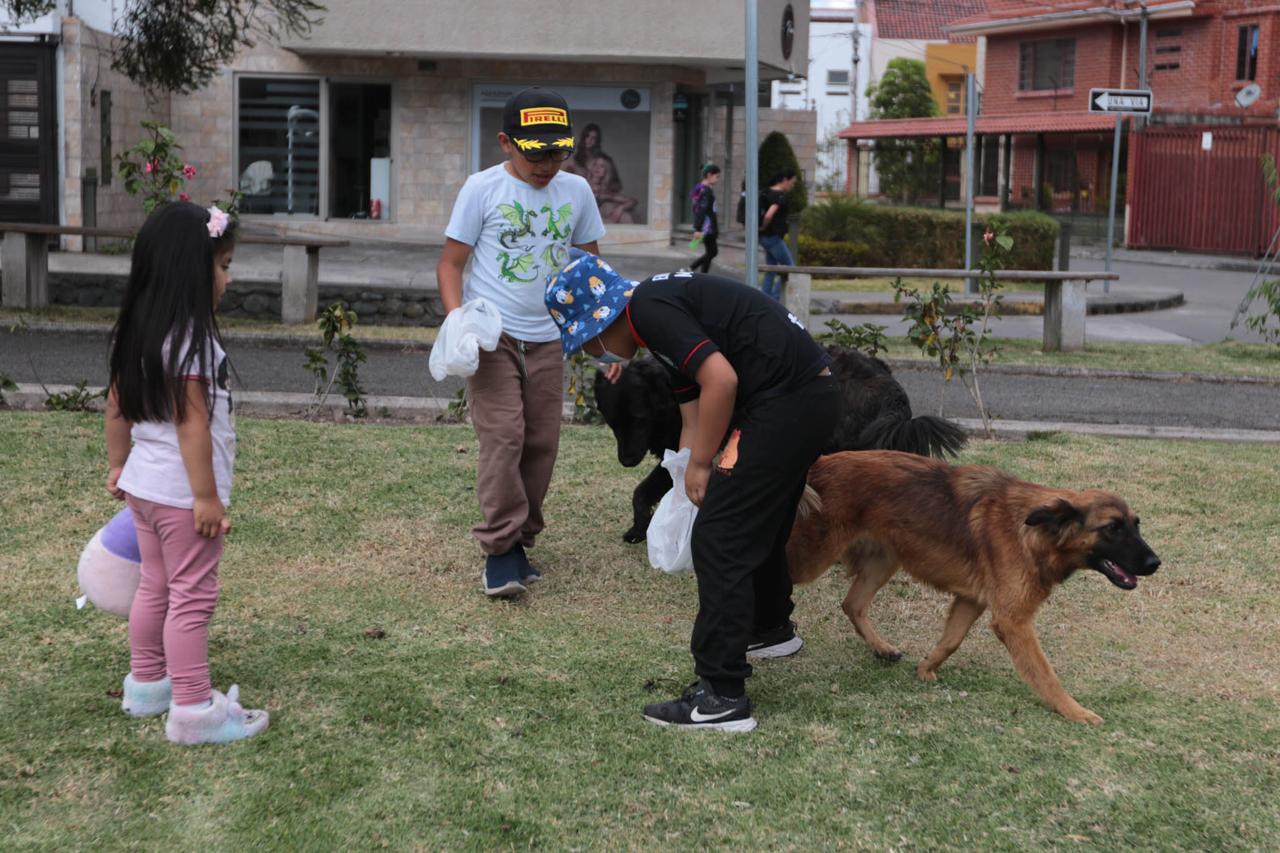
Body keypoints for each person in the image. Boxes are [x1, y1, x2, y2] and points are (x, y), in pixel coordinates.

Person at [544, 256, 841, 732]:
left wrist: (704, 463)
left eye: (587, 344)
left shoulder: (648, 310)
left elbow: (721, 380)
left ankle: (721, 696)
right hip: (806, 396)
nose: (595, 355)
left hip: (786, 401)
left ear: (601, 322)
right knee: (753, 516)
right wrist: (685, 467)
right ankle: (769, 629)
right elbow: (691, 404)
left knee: (720, 536)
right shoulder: (656, 311)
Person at [105, 201, 270, 745]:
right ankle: (195, 709)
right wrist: (206, 499)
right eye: (222, 265)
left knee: (155, 585)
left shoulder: (138, 333)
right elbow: (192, 422)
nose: (227, 278)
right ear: (189, 271)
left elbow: (115, 408)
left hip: (144, 491)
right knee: (192, 598)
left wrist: (117, 465)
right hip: (181, 497)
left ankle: (147, 685)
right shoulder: (192, 339)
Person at [437, 86, 606, 598]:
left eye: (558, 152)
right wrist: (459, 321)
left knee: (541, 441)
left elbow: (590, 270)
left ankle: (520, 538)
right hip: (494, 334)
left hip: (549, 337)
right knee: (505, 435)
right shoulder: (482, 189)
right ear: (505, 143)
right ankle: (499, 548)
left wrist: (598, 339)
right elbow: (450, 263)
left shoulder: (576, 192)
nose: (548, 165)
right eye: (537, 154)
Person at [759, 169, 798, 301]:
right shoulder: (779, 195)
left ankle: (764, 298)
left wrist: (761, 228)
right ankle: (774, 298)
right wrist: (764, 225)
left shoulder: (765, 192)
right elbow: (770, 214)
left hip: (765, 237)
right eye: (792, 183)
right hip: (773, 237)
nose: (792, 186)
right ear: (784, 180)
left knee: (771, 268)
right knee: (791, 268)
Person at [586, 152, 639, 224]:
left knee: (625, 215)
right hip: (583, 220)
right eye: (595, 164)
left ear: (606, 171)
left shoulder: (603, 192)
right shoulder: (583, 182)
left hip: (597, 220)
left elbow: (632, 201)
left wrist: (620, 208)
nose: (597, 168)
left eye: (602, 166)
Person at [689, 163, 721, 274]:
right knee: (712, 252)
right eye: (717, 177)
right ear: (709, 175)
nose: (717, 180)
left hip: (706, 225)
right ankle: (692, 269)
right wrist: (698, 228)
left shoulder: (700, 189)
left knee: (711, 251)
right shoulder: (705, 191)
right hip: (707, 226)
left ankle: (701, 273)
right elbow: (701, 209)